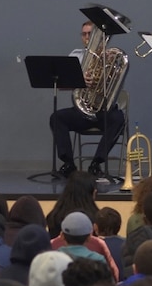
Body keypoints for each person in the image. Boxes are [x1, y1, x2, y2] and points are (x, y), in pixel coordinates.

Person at [50, 21, 126, 179]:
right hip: (81, 110)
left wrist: (107, 70)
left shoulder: (110, 56)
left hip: (103, 110)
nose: (86, 37)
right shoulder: (75, 55)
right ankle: (69, 164)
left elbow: (115, 84)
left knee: (118, 118)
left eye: (90, 34)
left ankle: (96, 163)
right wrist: (79, 79)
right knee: (56, 118)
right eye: (83, 34)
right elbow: (61, 85)